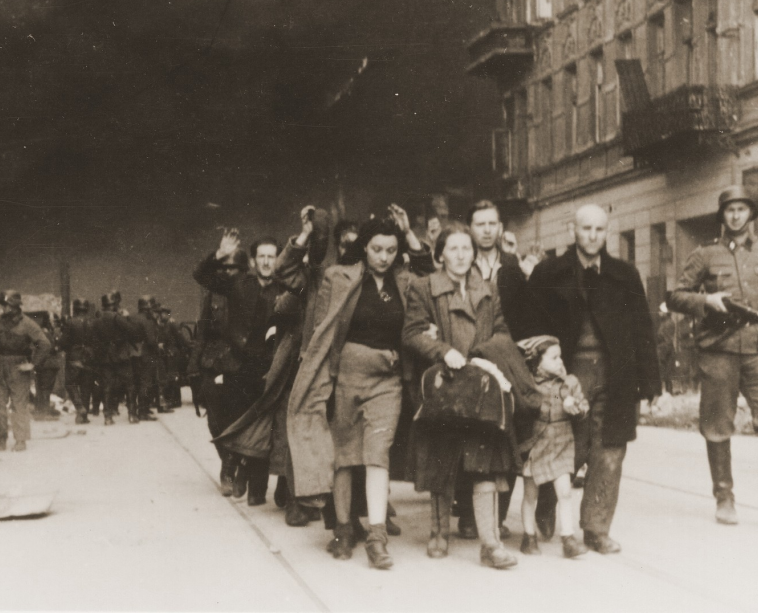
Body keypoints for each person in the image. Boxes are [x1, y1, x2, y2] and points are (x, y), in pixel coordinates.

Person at [287, 205, 434, 569]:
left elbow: (432, 275)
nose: (383, 257)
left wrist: (410, 234)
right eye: (376, 249)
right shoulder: (338, 277)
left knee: (376, 454)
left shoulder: (406, 281)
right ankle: (342, 530)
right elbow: (319, 331)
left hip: (388, 380)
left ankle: (377, 535)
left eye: (390, 250)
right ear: (364, 247)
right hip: (345, 378)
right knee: (344, 457)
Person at [668, 185, 758, 529]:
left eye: (741, 209)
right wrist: (706, 302)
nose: (735, 215)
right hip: (718, 351)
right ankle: (724, 498)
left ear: (751, 214)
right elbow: (676, 296)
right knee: (717, 427)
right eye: (729, 210)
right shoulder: (704, 255)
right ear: (722, 216)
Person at [527, 204, 661, 554]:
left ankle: (596, 528)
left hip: (616, 373)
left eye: (599, 230)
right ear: (573, 229)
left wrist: (651, 384)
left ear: (607, 232)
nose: (592, 236)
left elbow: (642, 329)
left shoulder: (624, 274)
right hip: (565, 372)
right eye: (586, 229)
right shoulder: (548, 272)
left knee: (610, 450)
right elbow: (529, 327)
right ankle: (546, 502)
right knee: (563, 445)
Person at [403, 221, 525, 569]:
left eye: (466, 249)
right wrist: (442, 350)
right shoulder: (424, 288)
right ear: (439, 255)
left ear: (474, 254)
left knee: (485, 461)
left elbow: (502, 332)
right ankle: (438, 532)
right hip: (445, 385)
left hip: (480, 384)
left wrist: (483, 356)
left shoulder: (487, 288)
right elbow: (412, 333)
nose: (460, 255)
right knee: (442, 459)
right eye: (453, 249)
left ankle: (490, 544)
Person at [214, 205, 330, 525]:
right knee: (282, 425)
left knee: (314, 429)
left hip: (324, 363)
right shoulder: (297, 281)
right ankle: (288, 491)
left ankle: (304, 493)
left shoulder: (334, 277)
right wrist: (304, 234)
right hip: (287, 364)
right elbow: (284, 270)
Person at [466, 200, 545, 539]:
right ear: (470, 228)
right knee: (472, 433)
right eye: (479, 223)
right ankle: (471, 514)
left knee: (508, 431)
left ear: (500, 229)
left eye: (491, 224)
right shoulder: (462, 263)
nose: (486, 230)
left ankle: (496, 516)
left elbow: (526, 313)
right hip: (469, 354)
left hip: (507, 357)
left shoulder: (512, 268)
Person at [193, 232, 284, 506]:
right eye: (262, 257)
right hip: (239, 367)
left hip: (273, 368)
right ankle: (237, 470)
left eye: (272, 257)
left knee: (266, 429)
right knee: (240, 426)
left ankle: (258, 487)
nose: (267, 262)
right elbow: (201, 276)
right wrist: (219, 254)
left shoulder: (286, 288)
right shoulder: (238, 285)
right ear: (254, 262)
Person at [515, 335, 589, 559]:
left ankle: (568, 538)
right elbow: (522, 411)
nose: (560, 361)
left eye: (560, 357)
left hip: (561, 441)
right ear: (537, 362)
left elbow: (584, 406)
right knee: (530, 495)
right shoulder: (529, 384)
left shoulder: (569, 383)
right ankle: (529, 536)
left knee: (565, 493)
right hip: (537, 444)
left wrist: (576, 406)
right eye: (553, 357)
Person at [193, 249, 248, 495]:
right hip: (212, 362)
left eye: (232, 268)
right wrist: (193, 366)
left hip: (240, 363)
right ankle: (228, 462)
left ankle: (229, 469)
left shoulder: (248, 292)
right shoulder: (213, 296)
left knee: (236, 420)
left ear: (242, 271)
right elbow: (202, 332)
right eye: (223, 268)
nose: (226, 272)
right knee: (215, 422)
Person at [0, 290, 52, 450]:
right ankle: (2, 435)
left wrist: (33, 364)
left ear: (15, 306)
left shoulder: (28, 324)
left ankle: (20, 440)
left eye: (7, 305)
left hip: (18, 367)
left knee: (19, 404)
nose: (4, 308)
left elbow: (44, 344)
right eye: (2, 305)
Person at [93, 290, 143, 425]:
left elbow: (94, 341)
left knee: (107, 387)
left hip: (105, 358)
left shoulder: (97, 320)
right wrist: (127, 318)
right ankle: (132, 414)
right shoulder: (117, 317)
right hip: (121, 356)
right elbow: (134, 332)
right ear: (114, 304)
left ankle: (108, 417)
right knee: (130, 385)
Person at [60, 298, 98, 424]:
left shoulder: (70, 322)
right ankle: (83, 416)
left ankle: (79, 407)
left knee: (70, 383)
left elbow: (64, 342)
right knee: (86, 387)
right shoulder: (93, 322)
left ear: (75, 308)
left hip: (74, 357)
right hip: (90, 357)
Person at [132, 296, 164, 419]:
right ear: (148, 308)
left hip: (134, 354)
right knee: (146, 383)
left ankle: (134, 410)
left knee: (135, 383)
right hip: (146, 355)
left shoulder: (132, 318)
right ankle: (143, 411)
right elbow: (151, 341)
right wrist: (158, 346)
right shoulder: (148, 320)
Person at [32, 312, 62, 420]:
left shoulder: (42, 333)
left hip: (46, 364)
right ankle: (43, 411)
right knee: (44, 388)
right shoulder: (48, 332)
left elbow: (46, 349)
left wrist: (35, 362)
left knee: (43, 388)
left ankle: (44, 412)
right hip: (49, 364)